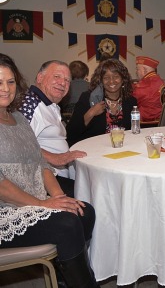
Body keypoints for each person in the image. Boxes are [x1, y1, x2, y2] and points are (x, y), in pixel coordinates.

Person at [0, 53, 98, 287]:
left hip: (31, 199)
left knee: (84, 211)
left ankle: (66, 274)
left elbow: (40, 163)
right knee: (67, 224)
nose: (5, 88)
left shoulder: (18, 118)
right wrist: (43, 204)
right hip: (6, 209)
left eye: (10, 82)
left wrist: (58, 197)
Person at [19, 60, 87, 198]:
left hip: (59, 175)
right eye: (57, 77)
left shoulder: (50, 104)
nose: (63, 83)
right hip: (46, 179)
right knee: (88, 194)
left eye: (67, 80)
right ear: (40, 77)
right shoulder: (30, 104)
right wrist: (55, 158)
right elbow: (17, 143)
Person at [66, 58, 137, 146]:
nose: (111, 81)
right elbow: (70, 133)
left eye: (116, 76)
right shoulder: (88, 98)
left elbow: (133, 132)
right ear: (101, 81)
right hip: (93, 150)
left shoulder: (130, 101)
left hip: (121, 149)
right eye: (106, 78)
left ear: (123, 79)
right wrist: (91, 113)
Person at [132, 56, 165, 122]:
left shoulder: (146, 83)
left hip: (145, 121)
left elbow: (133, 98)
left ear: (145, 70)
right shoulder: (159, 80)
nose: (136, 72)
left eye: (137, 69)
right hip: (159, 119)